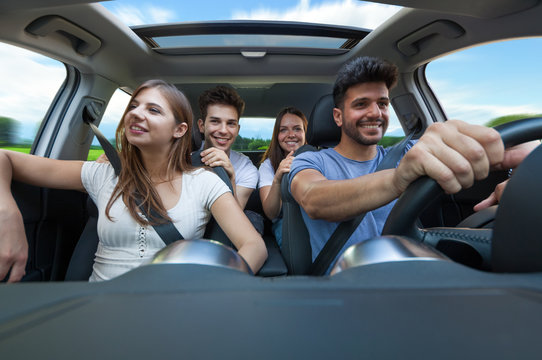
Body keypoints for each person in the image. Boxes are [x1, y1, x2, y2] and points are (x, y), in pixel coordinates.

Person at [0, 79, 267, 283]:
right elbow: (5, 158)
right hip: (98, 310)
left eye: (153, 109)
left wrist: (216, 290)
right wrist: (7, 213)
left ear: (180, 129)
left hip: (170, 311)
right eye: (133, 106)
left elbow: (254, 246)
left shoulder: (205, 182)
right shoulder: (102, 173)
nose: (136, 114)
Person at [288, 56, 532, 273]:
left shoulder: (410, 151)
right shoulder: (310, 159)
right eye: (361, 104)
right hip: (344, 287)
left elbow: (504, 149)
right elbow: (313, 198)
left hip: (410, 278)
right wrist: (397, 179)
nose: (375, 113)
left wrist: (528, 171)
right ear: (338, 117)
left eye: (382, 104)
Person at [197, 86, 258, 209]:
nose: (224, 130)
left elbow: (237, 217)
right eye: (215, 121)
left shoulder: (246, 168)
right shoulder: (183, 160)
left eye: (231, 123)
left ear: (237, 130)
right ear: (202, 126)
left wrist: (231, 178)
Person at [258, 107, 307, 247]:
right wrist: (278, 178)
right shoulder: (268, 166)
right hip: (285, 222)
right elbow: (271, 214)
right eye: (283, 130)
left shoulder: (320, 159)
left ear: (305, 132)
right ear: (276, 135)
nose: (291, 134)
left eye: (297, 129)